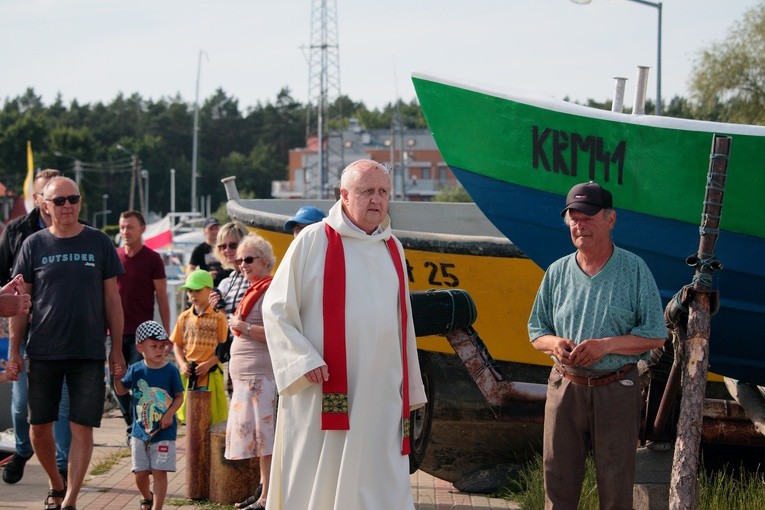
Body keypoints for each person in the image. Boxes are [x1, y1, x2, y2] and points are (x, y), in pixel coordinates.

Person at [262, 159, 427, 509]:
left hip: (381, 392)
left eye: (383, 192)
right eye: (367, 191)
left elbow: (404, 322)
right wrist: (302, 358)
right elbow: (276, 308)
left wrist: (409, 386)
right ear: (344, 195)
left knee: (378, 474)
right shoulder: (313, 240)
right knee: (319, 476)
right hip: (325, 387)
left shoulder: (392, 247)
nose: (376, 200)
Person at [527, 181, 667, 510]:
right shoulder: (557, 272)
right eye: (573, 217)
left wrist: (606, 346)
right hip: (565, 388)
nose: (580, 224)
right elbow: (536, 330)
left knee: (617, 490)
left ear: (610, 220)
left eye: (588, 216)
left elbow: (656, 335)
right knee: (557, 484)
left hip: (617, 388)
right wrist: (555, 344)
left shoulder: (634, 270)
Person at [8, 176, 126, 510]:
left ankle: (70, 499)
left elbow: (112, 301)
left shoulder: (99, 242)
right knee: (38, 428)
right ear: (44, 204)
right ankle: (55, 482)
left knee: (81, 427)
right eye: (58, 201)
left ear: (80, 201)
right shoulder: (33, 245)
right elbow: (20, 304)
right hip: (43, 350)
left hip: (88, 352)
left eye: (72, 199)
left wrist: (116, 348)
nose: (67, 206)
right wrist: (15, 349)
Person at [0, 169, 73, 485]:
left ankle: (61, 466)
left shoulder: (81, 233)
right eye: (52, 196)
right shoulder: (18, 231)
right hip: (23, 329)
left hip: (64, 333)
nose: (59, 202)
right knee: (19, 406)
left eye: (67, 197)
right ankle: (21, 449)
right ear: (38, 199)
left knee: (63, 404)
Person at [225, 235, 276, 510]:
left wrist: (241, 326)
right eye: (239, 260)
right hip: (248, 378)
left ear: (266, 261)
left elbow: (277, 334)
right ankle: (262, 492)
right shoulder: (255, 288)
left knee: (265, 439)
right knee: (259, 440)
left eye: (248, 259)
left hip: (261, 377)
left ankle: (267, 497)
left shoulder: (270, 291)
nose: (242, 265)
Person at [112, 210, 171, 443]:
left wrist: (165, 334)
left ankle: (138, 428)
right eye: (122, 227)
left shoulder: (152, 259)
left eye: (130, 227)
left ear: (142, 229)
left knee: (138, 381)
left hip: (142, 333)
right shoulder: (114, 257)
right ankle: (131, 423)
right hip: (114, 332)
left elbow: (163, 298)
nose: (126, 231)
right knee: (115, 380)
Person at [114, 320, 184, 510]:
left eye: (162, 346)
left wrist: (169, 414)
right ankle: (147, 496)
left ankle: (157, 507)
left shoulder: (171, 371)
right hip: (140, 432)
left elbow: (179, 397)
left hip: (164, 432)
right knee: (140, 473)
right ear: (140, 347)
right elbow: (121, 391)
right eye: (153, 346)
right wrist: (117, 378)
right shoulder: (136, 370)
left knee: (159, 471)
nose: (159, 350)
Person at [171, 268, 229, 426]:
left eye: (197, 290)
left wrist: (209, 363)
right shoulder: (184, 317)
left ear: (210, 290)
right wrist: (182, 364)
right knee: (191, 417)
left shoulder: (219, 317)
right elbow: (177, 344)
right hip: (189, 373)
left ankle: (206, 450)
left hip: (209, 373)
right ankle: (194, 449)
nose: (192, 295)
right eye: (189, 291)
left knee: (209, 416)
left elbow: (224, 349)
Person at [208, 222, 251, 395]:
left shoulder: (253, 274)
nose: (227, 250)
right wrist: (217, 308)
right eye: (222, 246)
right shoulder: (228, 280)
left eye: (233, 245)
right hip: (233, 351)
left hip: (251, 350)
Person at [188, 217, 227, 286]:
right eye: (211, 229)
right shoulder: (199, 249)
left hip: (226, 284)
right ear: (204, 231)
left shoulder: (226, 246)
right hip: (207, 286)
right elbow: (190, 269)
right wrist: (203, 276)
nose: (214, 231)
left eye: (216, 228)